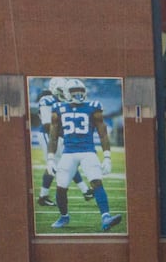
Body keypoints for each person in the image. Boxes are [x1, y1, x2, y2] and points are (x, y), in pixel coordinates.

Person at [47, 78, 123, 231]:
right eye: (75, 92)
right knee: (61, 187)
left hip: (88, 151)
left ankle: (106, 217)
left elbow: (103, 134)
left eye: (81, 91)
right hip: (68, 153)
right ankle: (64, 216)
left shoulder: (93, 107)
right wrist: (50, 158)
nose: (78, 95)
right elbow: (53, 136)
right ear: (67, 94)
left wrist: (107, 157)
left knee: (96, 182)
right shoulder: (58, 109)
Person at [35, 78, 88, 207]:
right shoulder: (47, 100)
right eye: (61, 90)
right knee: (58, 162)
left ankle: (85, 191)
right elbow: (47, 125)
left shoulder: (67, 101)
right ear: (54, 89)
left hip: (59, 135)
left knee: (66, 161)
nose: (64, 93)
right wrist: (66, 134)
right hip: (48, 134)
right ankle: (85, 191)